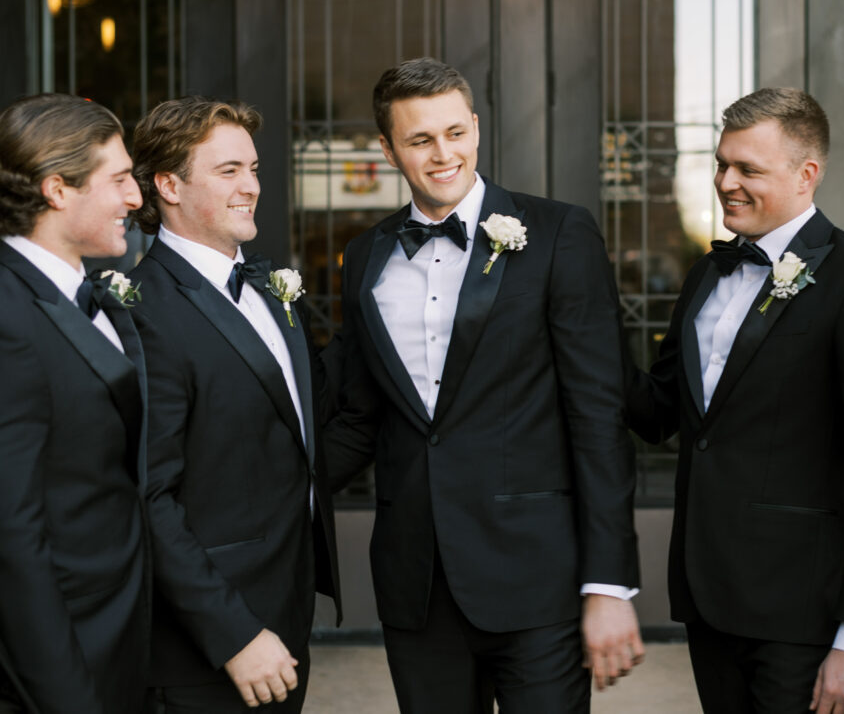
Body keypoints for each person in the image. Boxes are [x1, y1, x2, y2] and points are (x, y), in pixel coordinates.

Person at [322, 57, 643, 713]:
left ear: (475, 125)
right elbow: (361, 413)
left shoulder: (559, 233)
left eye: (455, 132)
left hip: (539, 578)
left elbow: (596, 414)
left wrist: (609, 582)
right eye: (420, 140)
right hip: (416, 584)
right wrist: (277, 496)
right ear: (387, 149)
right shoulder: (364, 257)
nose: (444, 154)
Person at [626, 87, 844, 714]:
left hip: (805, 612)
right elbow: (659, 413)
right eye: (721, 164)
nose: (725, 182)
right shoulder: (707, 273)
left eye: (748, 169)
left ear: (806, 174)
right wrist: (582, 337)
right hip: (708, 596)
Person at [128, 97, 341, 712]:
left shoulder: (273, 290)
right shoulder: (141, 311)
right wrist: (234, 633)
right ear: (168, 185)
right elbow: (148, 496)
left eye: (253, 169)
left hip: (287, 616)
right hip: (206, 645)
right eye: (228, 171)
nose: (251, 186)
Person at [0, 93, 148, 713]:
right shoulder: (8, 317)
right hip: (64, 659)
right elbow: (11, 535)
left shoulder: (89, 294)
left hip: (123, 638)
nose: (136, 198)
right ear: (57, 190)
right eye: (119, 179)